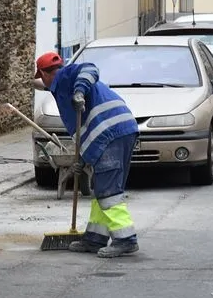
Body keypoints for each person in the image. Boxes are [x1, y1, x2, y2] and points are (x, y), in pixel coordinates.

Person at [34, 51, 141, 258]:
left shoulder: (67, 75)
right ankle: (95, 238)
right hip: (118, 131)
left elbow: (90, 68)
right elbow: (86, 130)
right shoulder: (60, 86)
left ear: (45, 74)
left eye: (42, 77)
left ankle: (126, 239)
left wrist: (80, 92)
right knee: (101, 188)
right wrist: (82, 160)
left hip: (111, 132)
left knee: (108, 190)